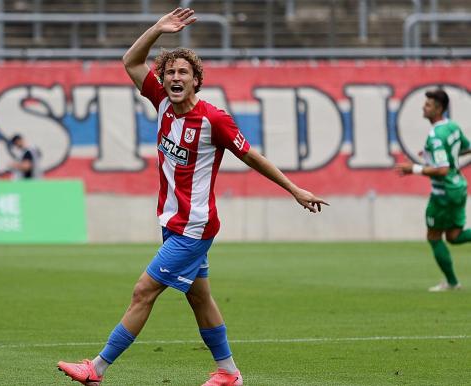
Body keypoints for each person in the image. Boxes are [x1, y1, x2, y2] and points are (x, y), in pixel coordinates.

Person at [57, 8, 328, 386]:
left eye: (184, 72)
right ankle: (229, 373)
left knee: (143, 291)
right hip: (172, 223)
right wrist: (157, 30)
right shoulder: (163, 104)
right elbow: (130, 61)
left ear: (197, 80)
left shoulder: (213, 120)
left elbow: (251, 156)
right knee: (199, 298)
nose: (175, 77)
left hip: (194, 227)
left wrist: (295, 190)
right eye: (169, 72)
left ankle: (96, 369)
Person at [396, 89, 471, 292]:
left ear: (439, 109)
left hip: (443, 193)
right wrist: (430, 155)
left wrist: (415, 168)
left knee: (434, 236)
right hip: (459, 187)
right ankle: (452, 283)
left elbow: (442, 169)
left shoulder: (436, 135)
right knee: (454, 236)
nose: (423, 107)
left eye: (428, 104)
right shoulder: (452, 127)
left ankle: (452, 283)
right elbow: (465, 147)